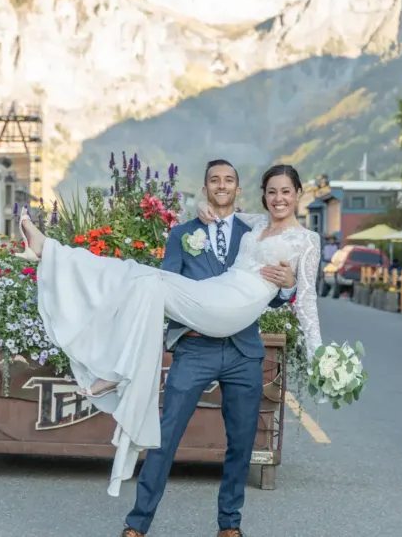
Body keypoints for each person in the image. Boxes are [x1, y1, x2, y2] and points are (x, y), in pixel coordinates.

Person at [18, 163, 323, 504]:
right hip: (216, 293)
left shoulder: (307, 240)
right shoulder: (257, 223)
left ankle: (51, 256)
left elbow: (306, 301)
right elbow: (224, 213)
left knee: (148, 281)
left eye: (285, 191)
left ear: (298, 194)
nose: (278, 198)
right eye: (271, 191)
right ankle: (56, 262)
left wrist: (319, 360)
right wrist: (199, 206)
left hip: (234, 308)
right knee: (141, 278)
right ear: (263, 196)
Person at [123, 160, 296, 537]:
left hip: (242, 351)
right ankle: (137, 524)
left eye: (229, 180)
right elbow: (165, 288)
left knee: (241, 442)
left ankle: (229, 526)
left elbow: (271, 298)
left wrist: (287, 285)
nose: (222, 186)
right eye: (215, 180)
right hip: (194, 348)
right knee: (164, 437)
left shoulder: (255, 234)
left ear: (238, 189)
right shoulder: (182, 233)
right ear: (205, 189)